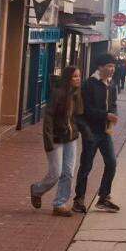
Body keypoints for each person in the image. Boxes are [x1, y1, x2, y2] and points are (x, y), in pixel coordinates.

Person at [30, 66, 84, 215]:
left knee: (68, 173)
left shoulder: (77, 94)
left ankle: (59, 203)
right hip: (56, 138)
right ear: (68, 78)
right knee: (55, 172)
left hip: (71, 138)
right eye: (74, 76)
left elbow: (78, 115)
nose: (78, 79)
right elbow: (48, 118)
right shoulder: (58, 94)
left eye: (79, 76)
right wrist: (48, 140)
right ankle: (37, 189)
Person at [72, 54, 120, 214]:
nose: (112, 69)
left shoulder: (111, 85)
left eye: (113, 66)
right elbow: (86, 110)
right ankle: (78, 200)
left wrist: (113, 114)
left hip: (105, 132)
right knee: (86, 166)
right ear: (100, 67)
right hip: (91, 132)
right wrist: (105, 115)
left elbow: (113, 104)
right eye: (109, 66)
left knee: (111, 163)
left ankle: (104, 197)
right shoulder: (89, 84)